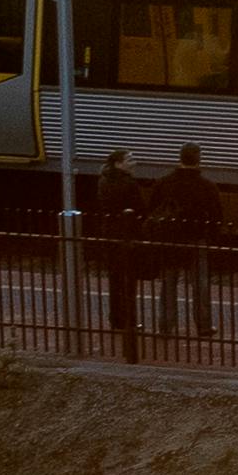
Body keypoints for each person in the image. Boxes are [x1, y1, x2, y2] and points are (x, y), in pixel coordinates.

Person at [154, 144, 224, 337]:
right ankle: (203, 325)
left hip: (170, 240)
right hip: (196, 238)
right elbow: (217, 216)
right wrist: (212, 237)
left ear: (180, 158)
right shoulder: (207, 186)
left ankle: (165, 326)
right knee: (200, 284)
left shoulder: (164, 183)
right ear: (198, 158)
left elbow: (154, 210)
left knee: (168, 284)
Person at [88, 150, 149, 362]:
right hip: (127, 235)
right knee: (128, 280)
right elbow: (140, 208)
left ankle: (116, 319)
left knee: (115, 277)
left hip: (109, 234)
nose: (135, 161)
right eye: (130, 159)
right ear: (119, 164)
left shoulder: (103, 180)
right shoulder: (129, 184)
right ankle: (130, 322)